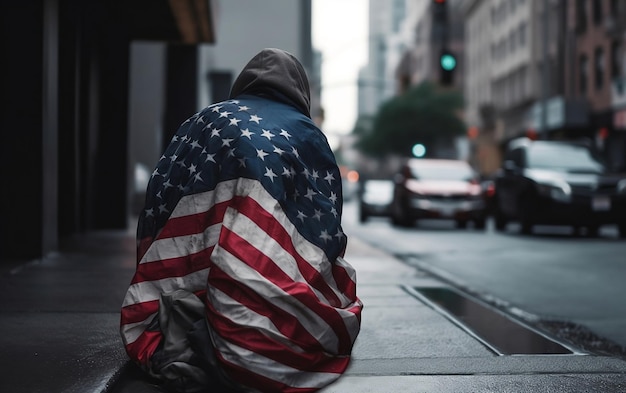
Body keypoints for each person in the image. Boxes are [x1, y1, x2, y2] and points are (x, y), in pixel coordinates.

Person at [120, 48, 363, 393]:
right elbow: (324, 230)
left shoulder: (201, 120)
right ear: (300, 91)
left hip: (191, 268)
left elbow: (159, 202)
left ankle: (204, 323)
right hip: (267, 271)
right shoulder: (305, 132)